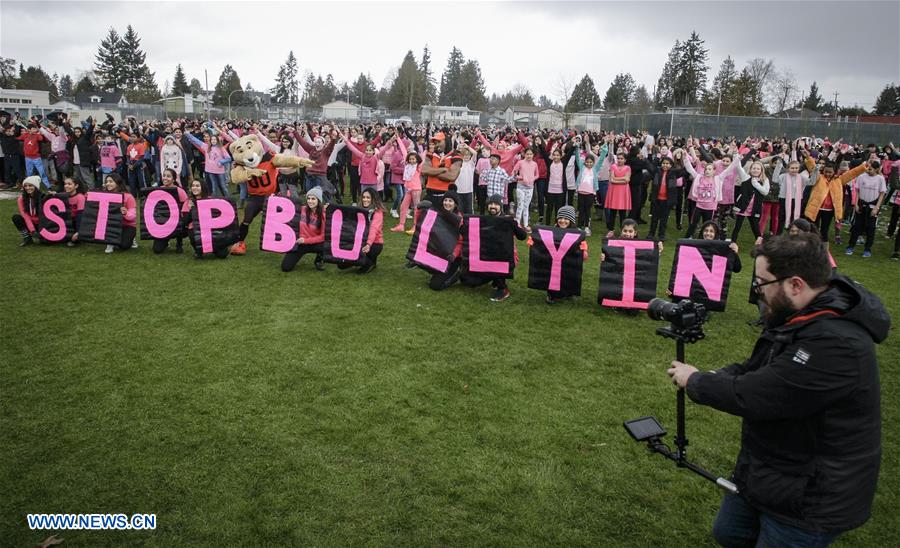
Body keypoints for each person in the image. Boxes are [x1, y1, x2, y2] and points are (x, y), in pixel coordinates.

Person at [667, 232, 889, 547]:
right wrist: (715, 374)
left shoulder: (836, 342)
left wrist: (697, 381)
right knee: (730, 532)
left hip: (810, 495)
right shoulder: (800, 315)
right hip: (770, 470)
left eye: (762, 284)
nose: (757, 293)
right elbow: (757, 366)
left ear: (795, 285)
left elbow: (759, 394)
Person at [460, 194, 526, 301]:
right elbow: (464, 232)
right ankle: (494, 277)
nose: (493, 206)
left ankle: (502, 288)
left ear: (501, 206)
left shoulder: (507, 220)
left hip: (505, 258)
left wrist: (514, 224)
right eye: (491, 204)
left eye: (496, 204)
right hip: (485, 257)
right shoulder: (483, 220)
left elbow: (523, 236)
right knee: (467, 281)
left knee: (496, 260)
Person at [528, 204, 588, 304]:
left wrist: (583, 250)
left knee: (567, 276)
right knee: (551, 274)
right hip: (552, 266)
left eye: (566, 218)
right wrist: (534, 243)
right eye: (560, 218)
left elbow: (583, 257)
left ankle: (567, 291)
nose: (562, 221)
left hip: (567, 266)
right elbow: (541, 247)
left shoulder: (577, 234)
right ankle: (551, 293)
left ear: (571, 220)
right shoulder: (551, 232)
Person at [845, 161, 887, 257]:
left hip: (873, 205)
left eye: (871, 168)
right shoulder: (861, 177)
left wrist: (877, 207)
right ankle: (851, 246)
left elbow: (882, 194)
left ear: (876, 169)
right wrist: (856, 204)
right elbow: (858, 191)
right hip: (861, 204)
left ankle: (867, 249)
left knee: (870, 228)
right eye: (867, 168)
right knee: (856, 227)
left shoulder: (880, 179)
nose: (868, 170)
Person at [338, 188, 383, 274]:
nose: (365, 200)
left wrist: (368, 244)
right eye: (364, 197)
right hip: (360, 242)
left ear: (373, 199)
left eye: (368, 198)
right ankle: (370, 260)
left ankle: (368, 262)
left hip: (374, 244)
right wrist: (328, 208)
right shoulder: (359, 211)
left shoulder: (377, 213)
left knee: (360, 268)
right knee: (341, 265)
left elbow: (373, 229)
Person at [280, 187, 326, 272]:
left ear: (318, 200)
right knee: (285, 267)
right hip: (299, 243)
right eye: (308, 198)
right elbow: (285, 208)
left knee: (327, 245)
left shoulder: (323, 214)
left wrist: (306, 240)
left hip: (314, 243)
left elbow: (323, 236)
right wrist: (272, 199)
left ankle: (319, 259)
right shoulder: (302, 209)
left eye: (313, 199)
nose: (310, 201)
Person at [183, 179, 230, 259]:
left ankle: (213, 248)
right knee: (193, 236)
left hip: (210, 229)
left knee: (223, 254)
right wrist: (191, 209)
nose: (194, 188)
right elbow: (185, 222)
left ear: (203, 188)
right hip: (195, 229)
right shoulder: (188, 202)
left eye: (197, 186)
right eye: (193, 186)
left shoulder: (210, 199)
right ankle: (199, 251)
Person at [151, 168, 189, 254]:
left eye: (168, 176)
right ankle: (166, 240)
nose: (165, 178)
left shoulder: (180, 191)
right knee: (157, 250)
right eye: (164, 175)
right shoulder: (159, 190)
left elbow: (186, 207)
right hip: (163, 223)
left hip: (177, 222)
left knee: (181, 224)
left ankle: (179, 244)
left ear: (174, 179)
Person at [100, 173, 138, 254]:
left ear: (117, 183)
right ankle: (110, 242)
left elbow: (133, 216)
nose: (108, 184)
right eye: (106, 182)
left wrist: (126, 213)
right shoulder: (104, 195)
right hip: (111, 224)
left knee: (123, 246)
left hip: (127, 225)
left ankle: (131, 239)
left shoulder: (128, 196)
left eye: (111, 181)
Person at [11, 175, 43, 246]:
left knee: (44, 242)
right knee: (16, 217)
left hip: (42, 223)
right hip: (30, 223)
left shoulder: (42, 197)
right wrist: (32, 230)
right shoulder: (21, 199)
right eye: (25, 186)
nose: (28, 188)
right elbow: (25, 215)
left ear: (36, 186)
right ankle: (27, 238)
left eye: (30, 185)